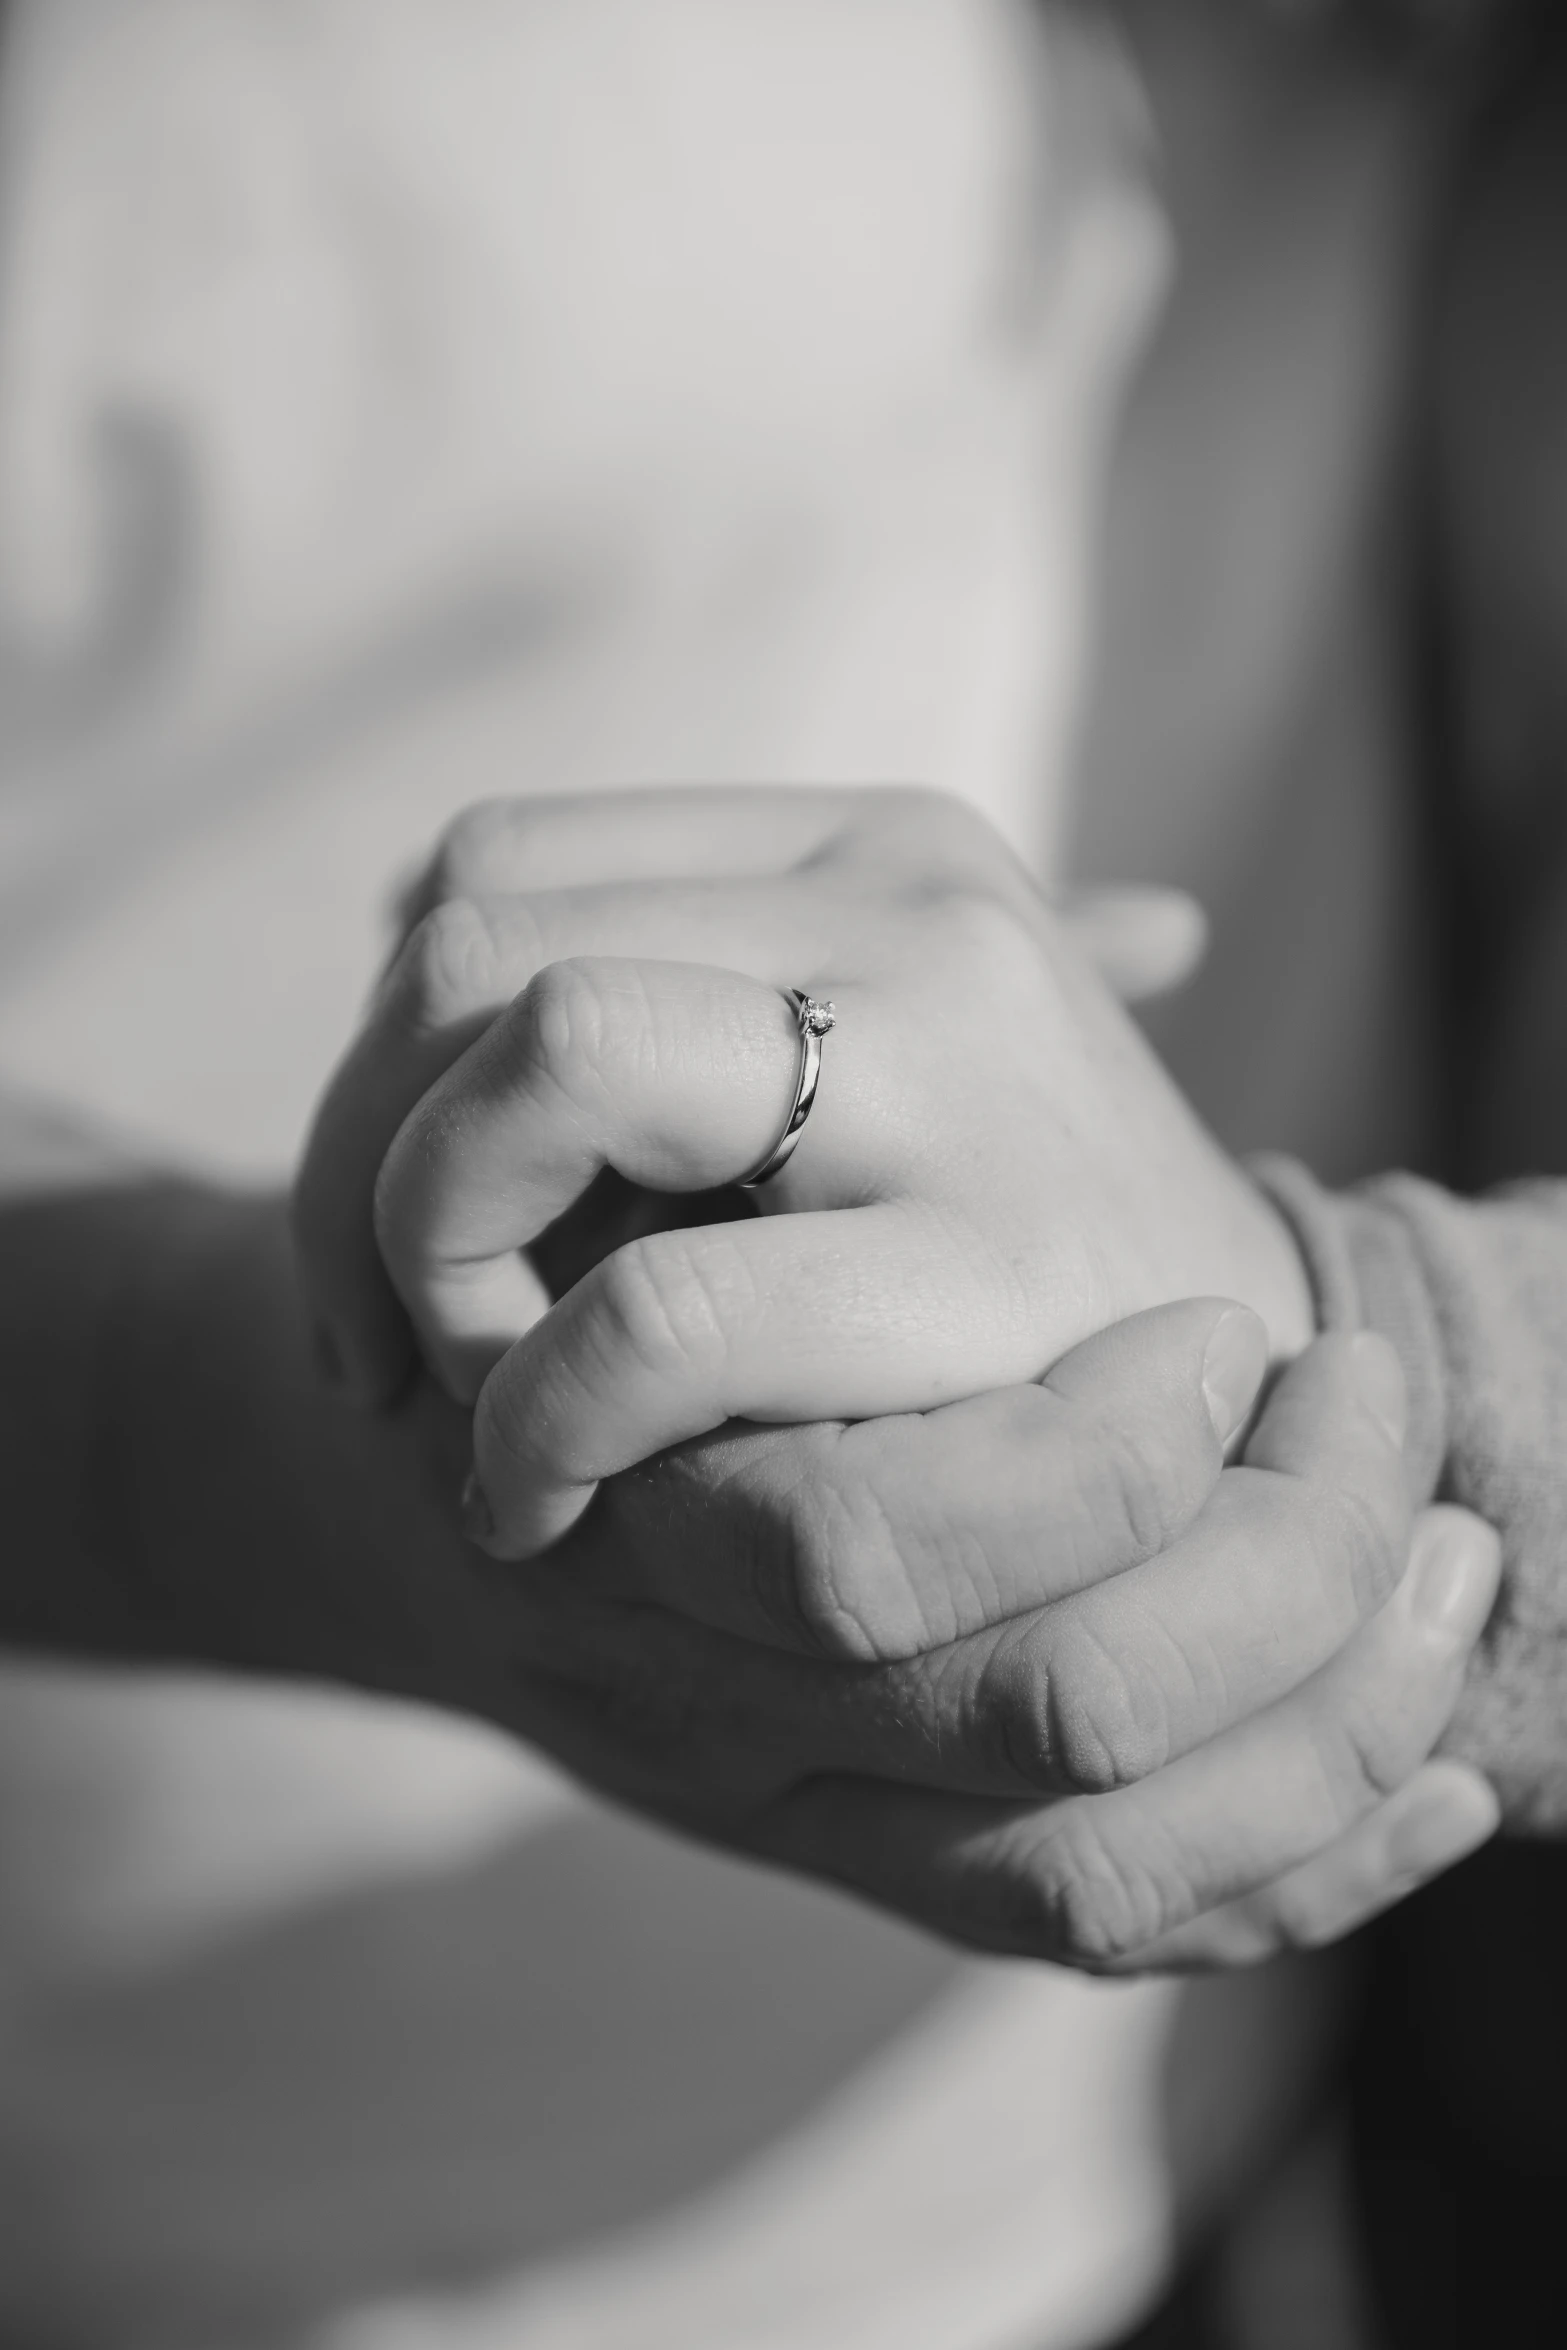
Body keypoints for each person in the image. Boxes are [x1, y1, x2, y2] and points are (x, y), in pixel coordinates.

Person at [0, 0, 1558, 2344]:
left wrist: (1384, 1375)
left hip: (1131, 2154)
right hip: (143, 2211)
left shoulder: (1384, 95)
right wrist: (285, 1450)